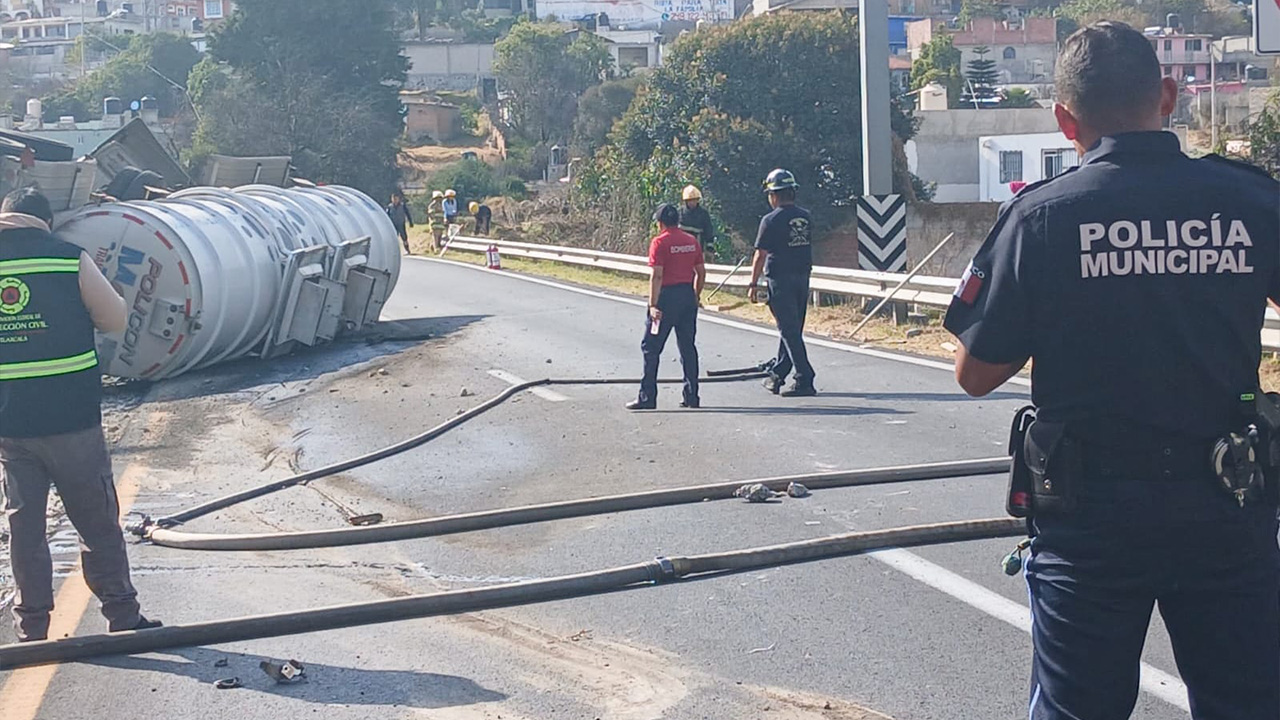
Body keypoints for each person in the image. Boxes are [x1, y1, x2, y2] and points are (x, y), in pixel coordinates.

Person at [943, 23, 1279, 719]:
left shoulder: (1041, 217)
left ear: (1066, 119)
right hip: (1227, 502)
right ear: (1168, 94)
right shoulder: (1250, 200)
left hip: (1091, 517)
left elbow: (975, 374)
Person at [0, 188, 161, 642]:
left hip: (10, 421)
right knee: (94, 516)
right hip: (71, 415)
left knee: (24, 524)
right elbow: (114, 320)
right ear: (44, 222)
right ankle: (122, 614)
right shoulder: (68, 257)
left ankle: (31, 628)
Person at [627, 204, 705, 411]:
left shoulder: (659, 242)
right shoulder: (691, 241)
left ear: (660, 223)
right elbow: (701, 271)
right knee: (688, 347)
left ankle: (647, 398)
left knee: (650, 348)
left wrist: (653, 305)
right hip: (687, 296)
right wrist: (695, 296)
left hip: (666, 298)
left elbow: (657, 275)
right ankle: (692, 396)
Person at [747, 169, 816, 397]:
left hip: (780, 280)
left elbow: (760, 254)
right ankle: (778, 374)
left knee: (788, 329)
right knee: (791, 329)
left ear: (774, 195)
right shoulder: (805, 217)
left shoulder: (770, 220)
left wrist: (753, 283)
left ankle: (804, 377)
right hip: (802, 277)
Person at [678, 185, 716, 263]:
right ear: (686, 201)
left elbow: (708, 230)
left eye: (694, 200)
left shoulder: (703, 214)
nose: (692, 203)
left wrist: (710, 246)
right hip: (681, 249)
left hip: (698, 249)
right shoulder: (680, 213)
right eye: (690, 200)